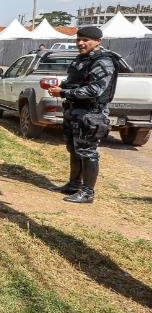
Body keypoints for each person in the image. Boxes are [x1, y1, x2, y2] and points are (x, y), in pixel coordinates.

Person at [48, 26, 122, 204]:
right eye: (78, 39)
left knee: (88, 152)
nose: (81, 43)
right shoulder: (82, 59)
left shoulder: (103, 61)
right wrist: (62, 87)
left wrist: (64, 93)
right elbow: (73, 81)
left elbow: (95, 90)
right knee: (74, 149)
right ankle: (74, 184)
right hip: (75, 111)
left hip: (92, 113)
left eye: (86, 40)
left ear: (98, 41)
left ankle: (88, 193)